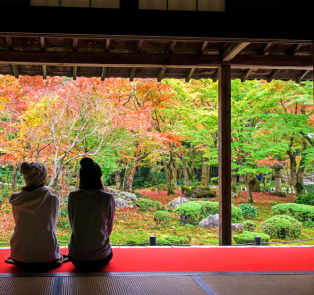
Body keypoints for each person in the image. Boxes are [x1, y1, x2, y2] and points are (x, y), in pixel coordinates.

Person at [5, 162, 67, 271]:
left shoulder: (16, 199)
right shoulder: (52, 199)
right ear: (43, 179)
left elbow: (17, 221)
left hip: (19, 254)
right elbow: (53, 226)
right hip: (46, 256)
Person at [67, 157, 115, 272]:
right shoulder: (107, 198)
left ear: (81, 177)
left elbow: (72, 224)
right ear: (99, 177)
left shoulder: (73, 196)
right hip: (101, 258)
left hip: (76, 258)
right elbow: (108, 230)